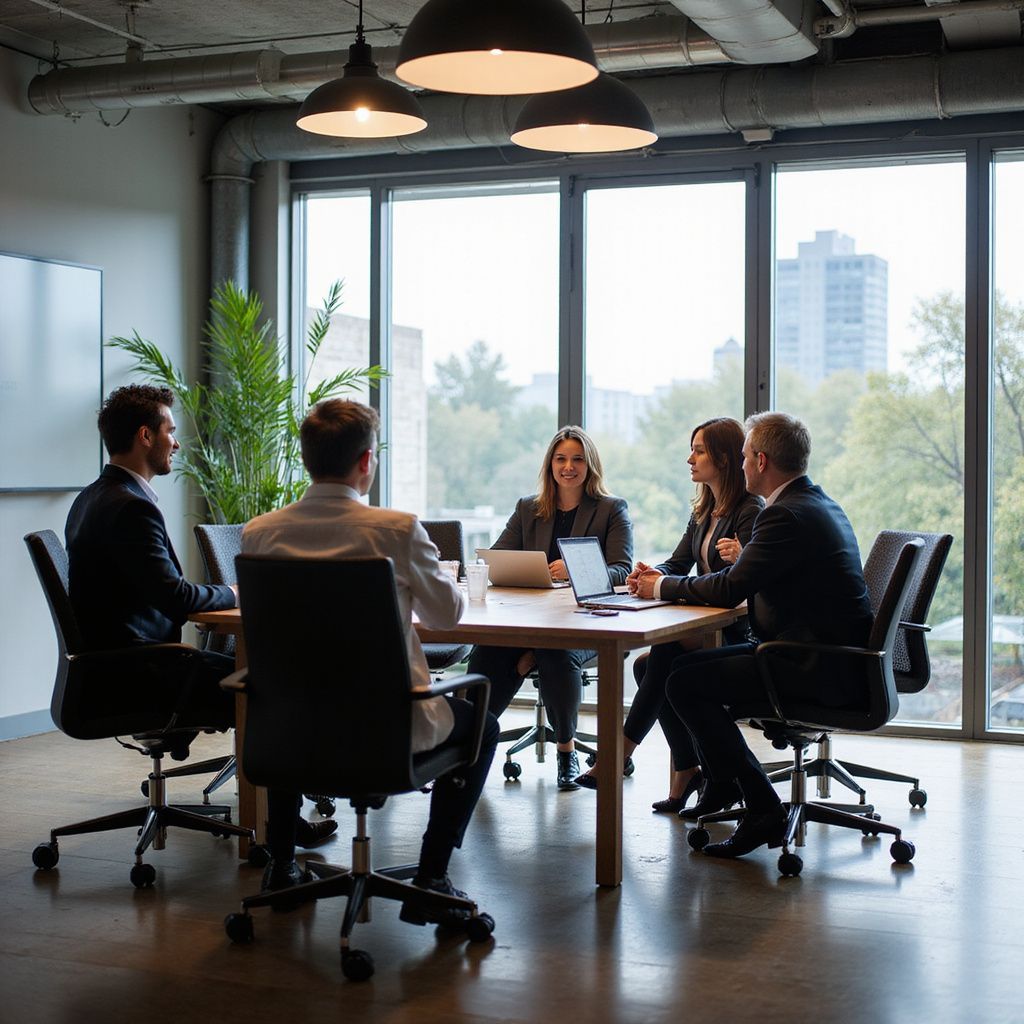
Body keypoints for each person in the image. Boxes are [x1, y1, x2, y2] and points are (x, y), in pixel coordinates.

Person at [242, 399, 499, 912]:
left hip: (286, 735)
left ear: (306, 457)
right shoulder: (396, 531)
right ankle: (430, 878)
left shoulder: (259, 532)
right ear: (366, 462)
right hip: (383, 733)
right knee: (484, 726)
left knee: (300, 690)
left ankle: (280, 864)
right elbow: (447, 618)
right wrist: (454, 584)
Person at [65, 384, 337, 848]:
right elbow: (178, 599)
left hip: (110, 666)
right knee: (272, 687)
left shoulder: (92, 497)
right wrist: (235, 589)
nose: (177, 442)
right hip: (142, 671)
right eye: (171, 431)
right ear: (146, 435)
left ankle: (289, 807)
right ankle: (281, 832)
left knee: (264, 677)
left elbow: (159, 592)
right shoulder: (130, 506)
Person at [632, 412, 872, 859]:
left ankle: (760, 805)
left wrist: (661, 586)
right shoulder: (814, 502)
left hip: (811, 664)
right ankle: (727, 786)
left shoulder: (783, 515)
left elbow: (729, 586)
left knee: (682, 680)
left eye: (743, 456)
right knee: (675, 671)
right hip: (828, 656)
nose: (741, 466)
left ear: (760, 461)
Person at [573, 418, 762, 806]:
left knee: (665, 651)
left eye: (699, 450)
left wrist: (667, 584)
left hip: (740, 631)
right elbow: (678, 563)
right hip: (709, 626)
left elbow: (739, 582)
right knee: (648, 666)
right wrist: (653, 574)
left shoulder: (750, 509)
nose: (688, 458)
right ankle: (687, 770)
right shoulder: (704, 510)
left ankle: (619, 753)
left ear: (724, 459)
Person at [466, 425, 633, 791]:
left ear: (590, 466)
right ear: (550, 465)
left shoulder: (610, 509)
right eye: (561, 459)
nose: (568, 467)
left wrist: (576, 571)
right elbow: (497, 557)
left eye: (577, 459)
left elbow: (623, 569)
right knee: (490, 650)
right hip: (530, 617)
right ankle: (468, 743)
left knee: (554, 652)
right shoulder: (529, 508)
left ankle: (565, 749)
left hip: (586, 623)